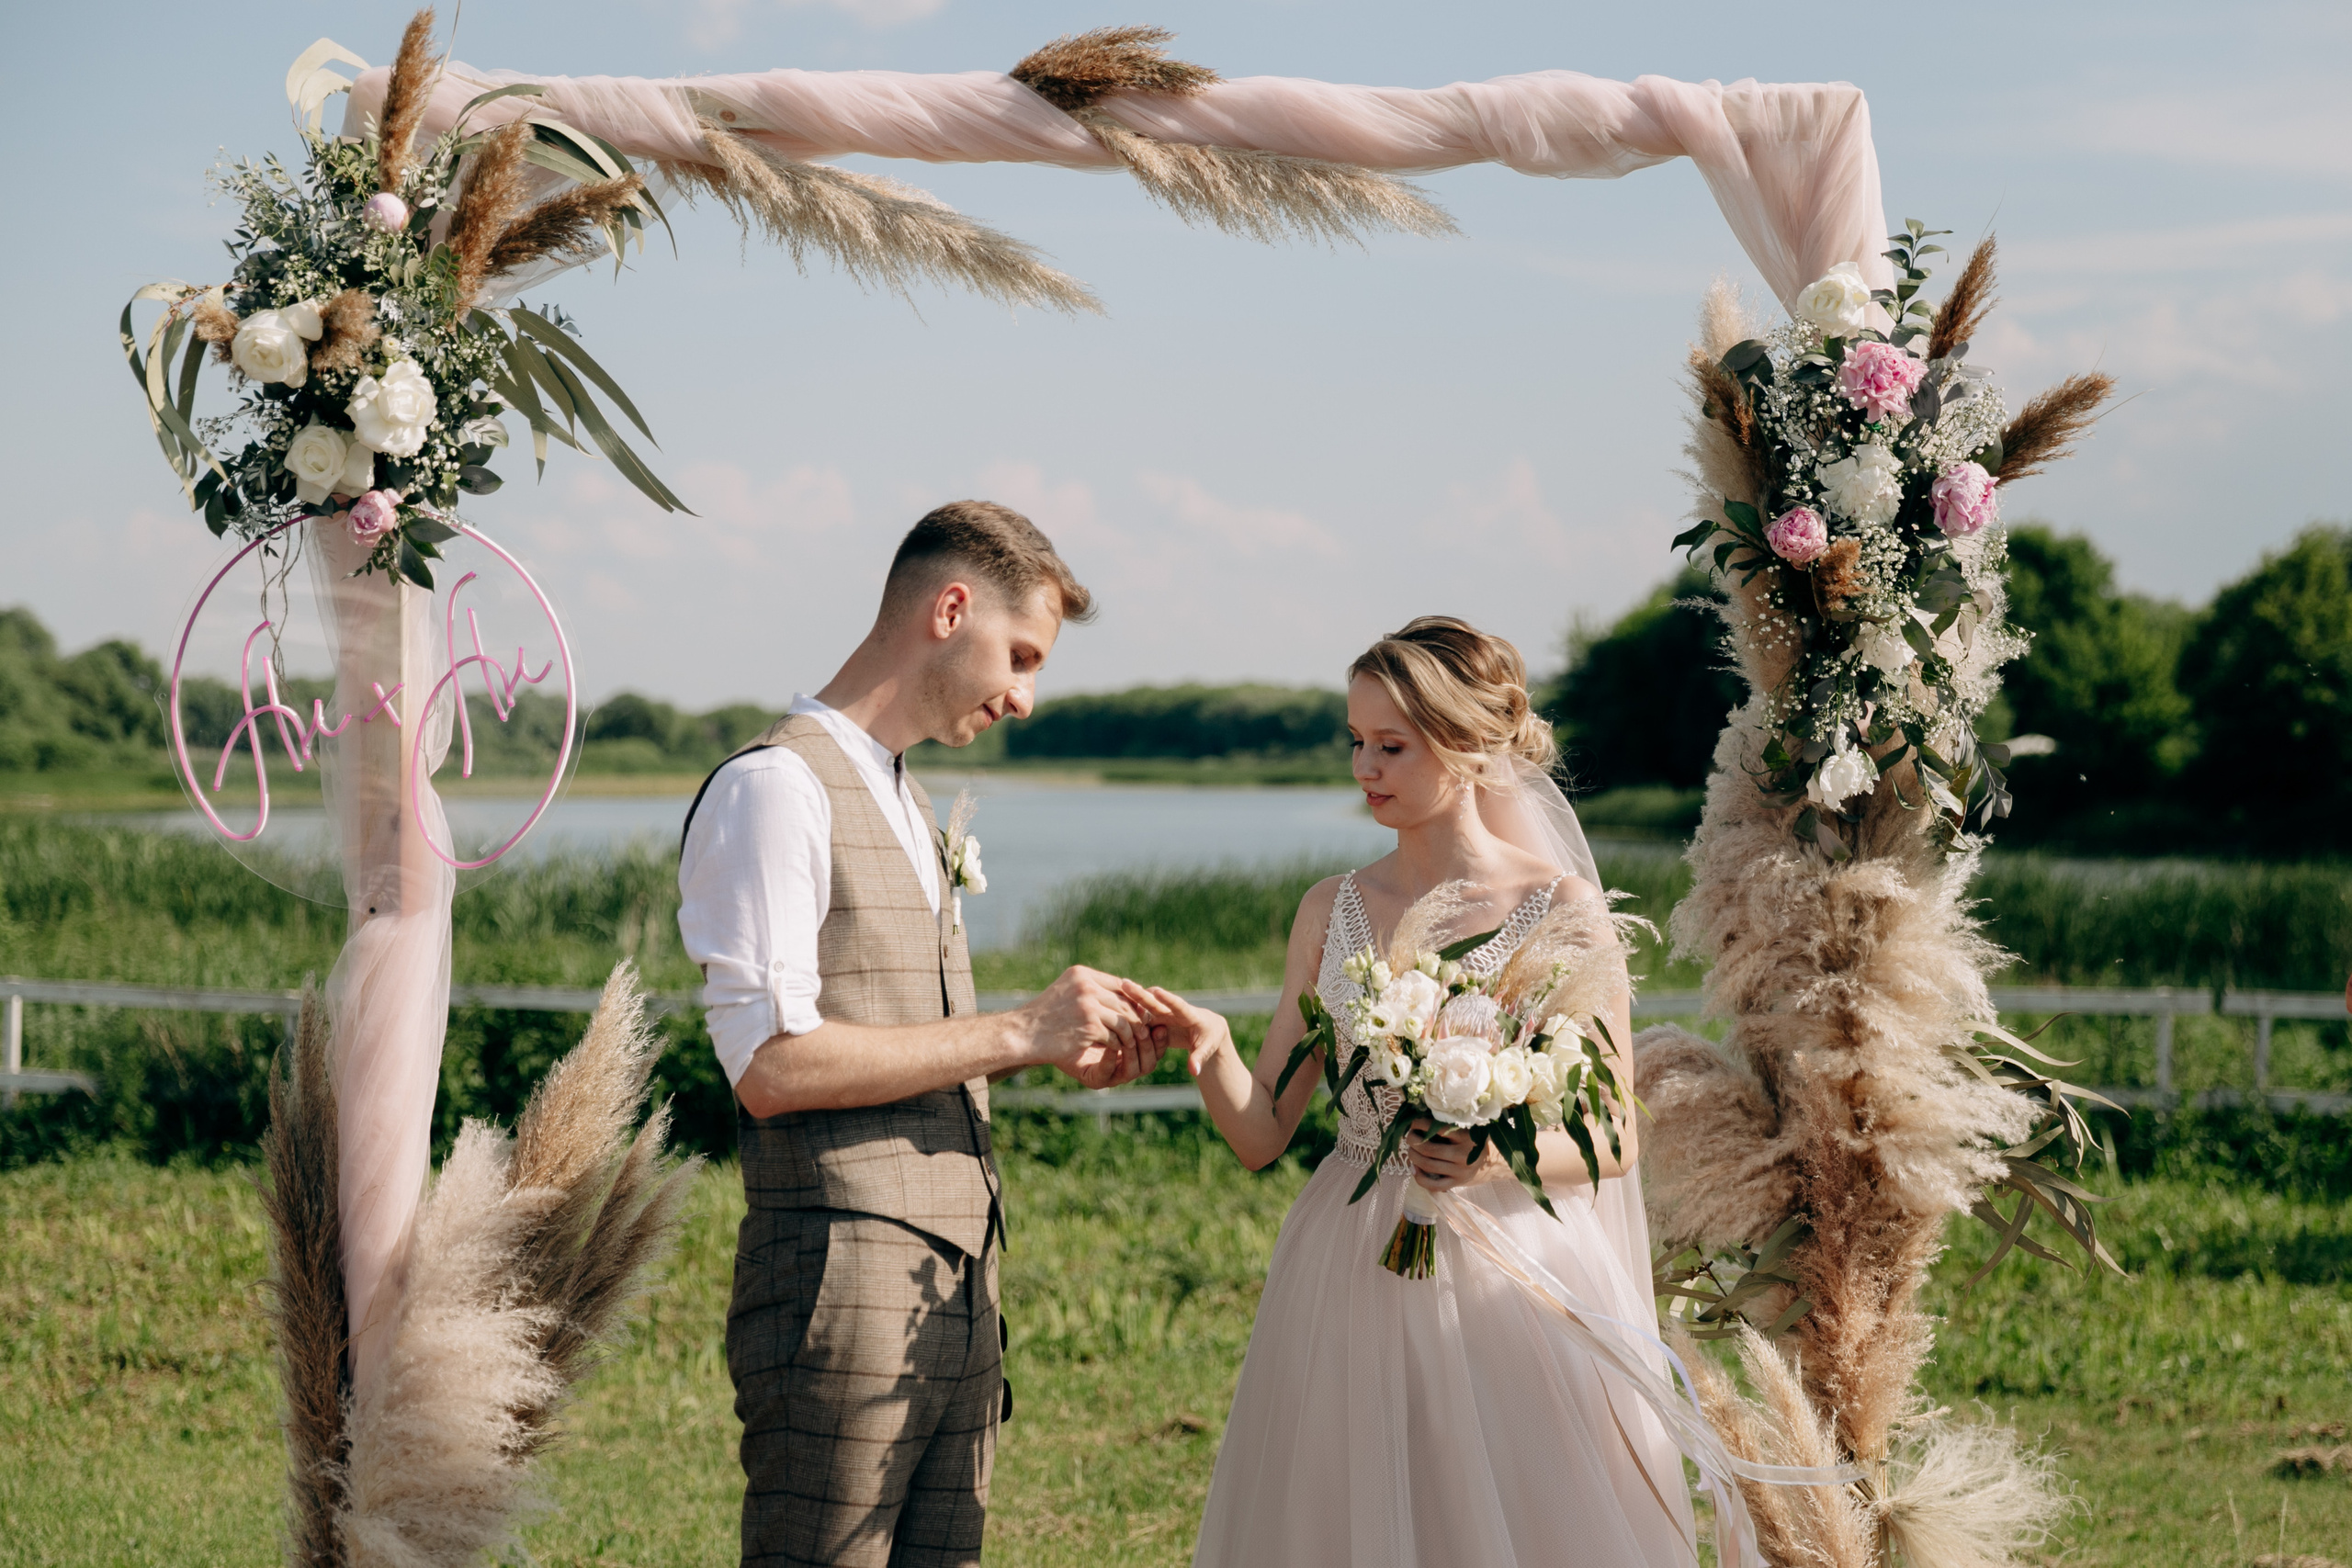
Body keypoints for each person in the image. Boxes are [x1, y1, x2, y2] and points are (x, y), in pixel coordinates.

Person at [1145, 616, 1699, 1567]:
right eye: (1355, 742)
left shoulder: (1559, 910)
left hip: (1512, 1267)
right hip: (1347, 1259)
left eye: (1390, 746)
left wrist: (1489, 1159)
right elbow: (1261, 1131)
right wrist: (1205, 1048)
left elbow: (1614, 1133)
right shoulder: (1331, 909)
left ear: (1472, 746)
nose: (1365, 766)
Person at [677, 500, 1165, 1568]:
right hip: (836, 1282)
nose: (1026, 697)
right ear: (951, 608)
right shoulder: (774, 789)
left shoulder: (900, 791)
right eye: (1022, 655)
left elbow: (902, 1019)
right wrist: (1017, 1029)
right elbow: (770, 1067)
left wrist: (1048, 1045)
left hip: (954, 1293)